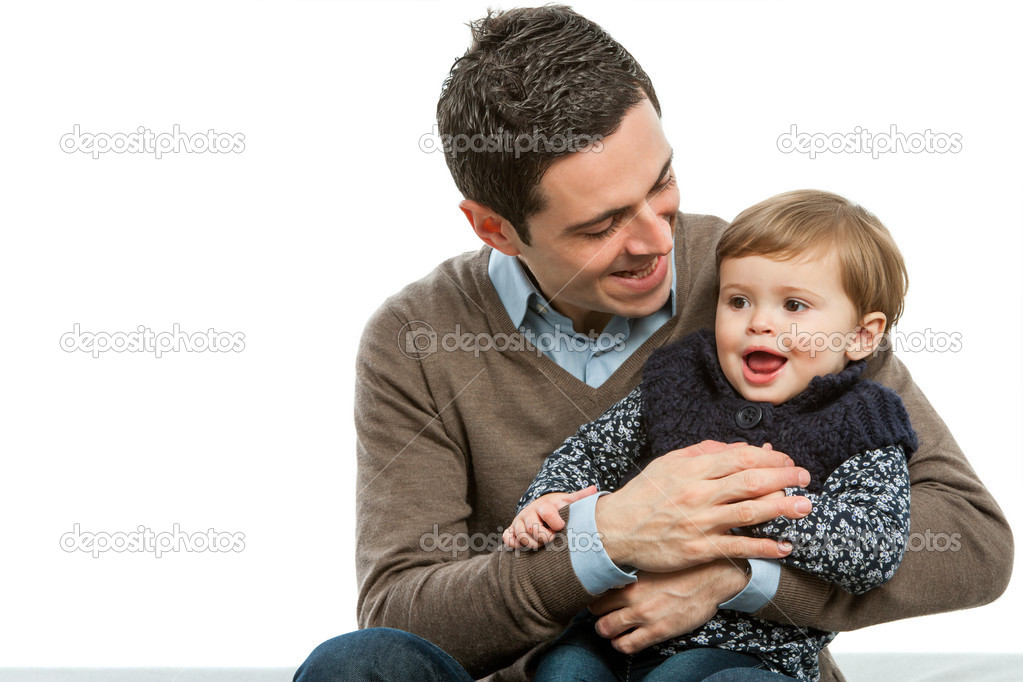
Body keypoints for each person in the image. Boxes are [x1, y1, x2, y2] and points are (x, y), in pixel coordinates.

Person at [293, 6, 1012, 682]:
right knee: (358, 664)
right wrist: (599, 545)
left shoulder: (765, 285)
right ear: (495, 229)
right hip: (562, 667)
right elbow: (401, 606)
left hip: (734, 667)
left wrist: (737, 578)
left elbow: (972, 542)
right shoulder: (416, 338)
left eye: (660, 182)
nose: (655, 240)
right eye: (601, 225)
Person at [504, 189, 918, 682]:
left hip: (745, 649)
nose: (760, 323)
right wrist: (548, 501)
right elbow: (591, 450)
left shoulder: (863, 420)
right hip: (611, 632)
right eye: (739, 301)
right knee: (563, 670)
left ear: (861, 337)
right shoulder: (682, 379)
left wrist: (757, 507)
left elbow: (872, 548)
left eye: (794, 305)